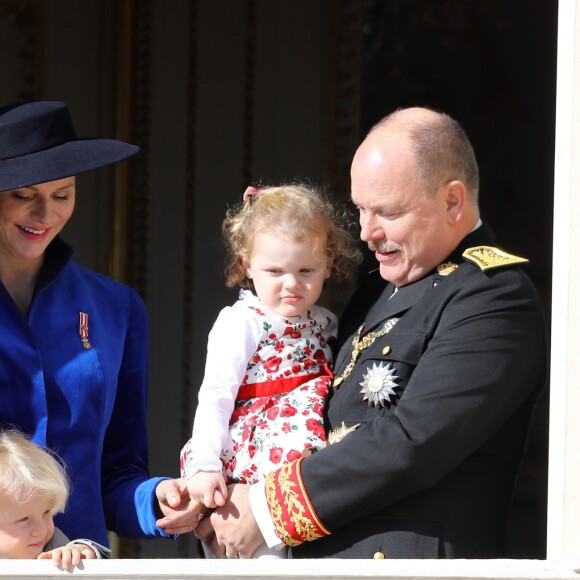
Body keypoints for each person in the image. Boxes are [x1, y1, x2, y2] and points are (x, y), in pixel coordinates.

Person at [191, 106, 548, 559]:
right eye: (361, 210)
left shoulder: (493, 295)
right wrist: (220, 490)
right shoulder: (377, 291)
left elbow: (413, 441)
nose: (366, 232)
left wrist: (262, 511)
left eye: (387, 212)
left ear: (453, 202)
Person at [0, 100, 199, 549]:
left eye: (62, 194)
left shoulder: (116, 307)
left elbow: (116, 470)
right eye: (24, 195)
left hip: (81, 567)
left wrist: (156, 501)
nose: (45, 214)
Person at [179, 184, 360, 558]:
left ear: (328, 263)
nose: (291, 283)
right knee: (254, 557)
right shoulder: (242, 322)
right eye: (275, 270)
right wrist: (205, 465)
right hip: (254, 455)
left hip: (303, 465)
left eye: (306, 269)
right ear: (247, 264)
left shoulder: (326, 321)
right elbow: (215, 396)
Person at [0, 428, 109, 569]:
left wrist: (81, 551)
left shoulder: (52, 546)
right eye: (23, 519)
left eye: (47, 513)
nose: (41, 530)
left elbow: (84, 558)